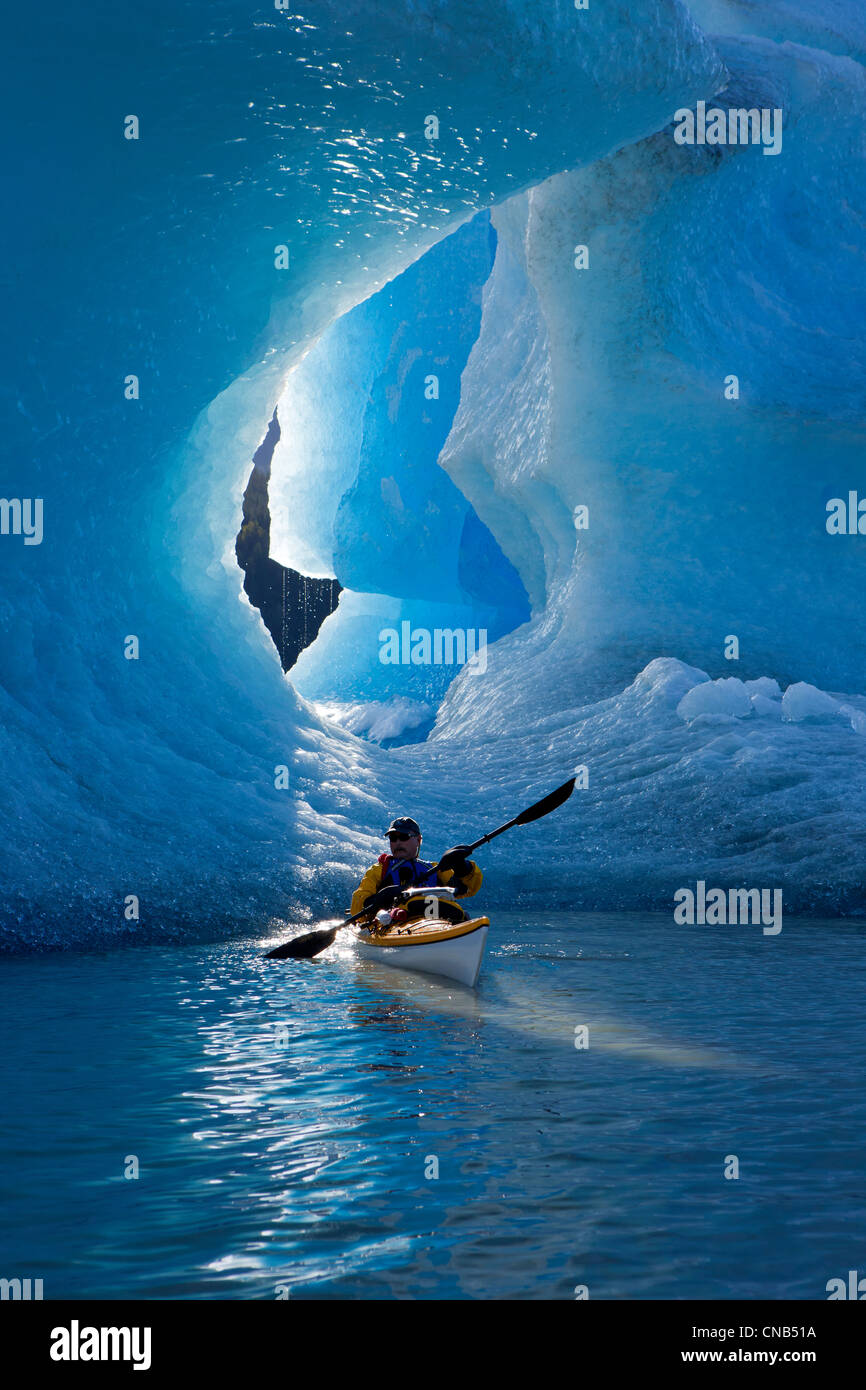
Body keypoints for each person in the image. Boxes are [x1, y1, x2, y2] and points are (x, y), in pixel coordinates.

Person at [350, 816, 482, 921]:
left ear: (418, 840)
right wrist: (378, 900)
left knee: (461, 914)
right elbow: (358, 905)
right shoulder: (379, 870)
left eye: (404, 837)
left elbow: (468, 889)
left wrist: (462, 866)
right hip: (394, 921)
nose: (398, 842)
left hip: (436, 920)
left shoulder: (435, 869)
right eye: (393, 838)